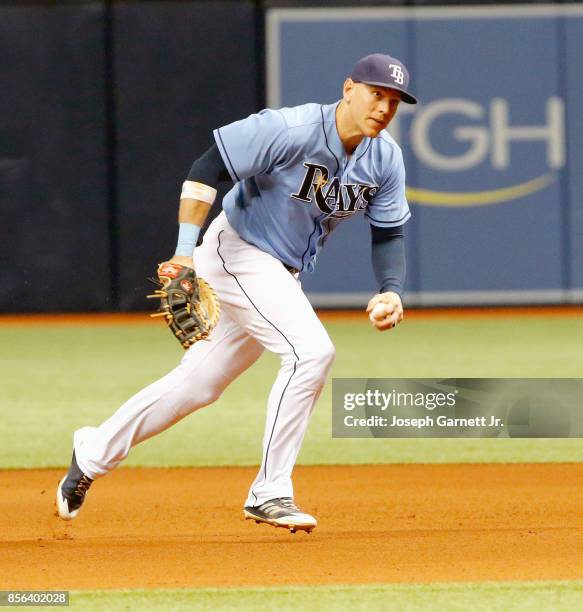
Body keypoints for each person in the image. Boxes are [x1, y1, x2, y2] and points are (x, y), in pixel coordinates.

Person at [56, 53, 417, 533]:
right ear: (349, 88)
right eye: (377, 94)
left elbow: (388, 232)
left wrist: (390, 289)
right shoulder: (291, 128)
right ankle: (270, 492)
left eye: (394, 101)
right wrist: (184, 253)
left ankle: (93, 451)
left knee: (199, 383)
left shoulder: (385, 157)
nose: (384, 108)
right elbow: (208, 165)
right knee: (311, 353)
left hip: (280, 271)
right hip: (238, 251)